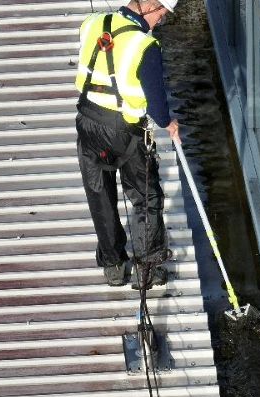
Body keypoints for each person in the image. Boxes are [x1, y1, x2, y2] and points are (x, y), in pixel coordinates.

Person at [74, 0, 180, 288]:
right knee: (146, 198)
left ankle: (114, 267)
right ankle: (148, 268)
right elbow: (157, 107)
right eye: (161, 13)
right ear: (148, 5)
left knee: (100, 196)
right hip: (125, 131)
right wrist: (168, 123)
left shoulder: (93, 24)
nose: (160, 20)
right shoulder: (145, 45)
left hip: (87, 121)